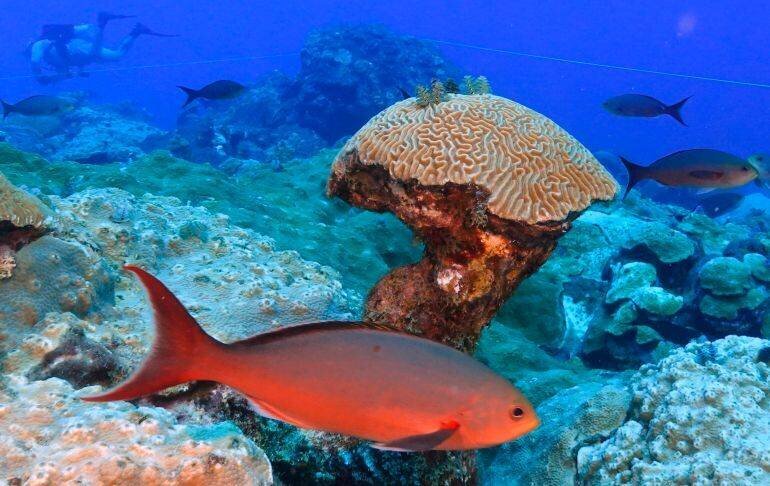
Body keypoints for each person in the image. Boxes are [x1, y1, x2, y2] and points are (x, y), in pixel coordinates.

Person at [29, 12, 175, 84]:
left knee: (94, 51)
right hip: (81, 50)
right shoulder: (53, 58)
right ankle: (137, 31)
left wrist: (39, 77)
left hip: (80, 50)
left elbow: (35, 62)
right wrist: (50, 80)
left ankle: (102, 22)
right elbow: (66, 74)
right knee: (117, 55)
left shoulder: (38, 45)